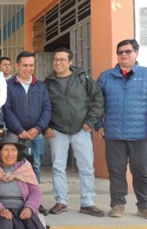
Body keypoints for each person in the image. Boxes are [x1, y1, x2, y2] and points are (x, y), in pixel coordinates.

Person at [96, 38, 147, 221]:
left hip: (140, 134)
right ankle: (117, 204)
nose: (124, 55)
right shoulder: (106, 77)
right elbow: (97, 104)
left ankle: (144, 206)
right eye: (120, 52)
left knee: (141, 171)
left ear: (136, 53)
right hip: (113, 134)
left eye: (128, 51)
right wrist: (99, 125)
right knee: (116, 171)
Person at [43, 47, 104, 216]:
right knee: (57, 167)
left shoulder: (83, 78)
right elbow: (42, 106)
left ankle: (87, 202)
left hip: (81, 130)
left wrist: (90, 121)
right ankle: (61, 201)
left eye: (62, 59)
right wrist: (46, 126)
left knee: (86, 167)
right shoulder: (47, 83)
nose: (58, 62)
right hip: (57, 131)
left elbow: (97, 99)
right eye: (55, 59)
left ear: (70, 62)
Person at [3, 51, 50, 183]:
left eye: (31, 65)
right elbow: (6, 110)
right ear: (17, 65)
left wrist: (37, 128)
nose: (28, 69)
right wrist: (19, 130)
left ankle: (35, 201)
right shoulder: (8, 86)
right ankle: (17, 199)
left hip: (36, 135)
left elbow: (47, 109)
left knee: (35, 166)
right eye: (25, 65)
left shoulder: (41, 86)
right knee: (14, 166)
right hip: (15, 134)